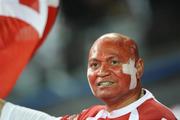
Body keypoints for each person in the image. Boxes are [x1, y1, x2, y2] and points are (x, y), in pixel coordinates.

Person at [0, 33, 177, 120]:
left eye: (113, 62)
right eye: (94, 65)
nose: (102, 71)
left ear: (138, 67)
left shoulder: (155, 117)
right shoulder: (94, 114)